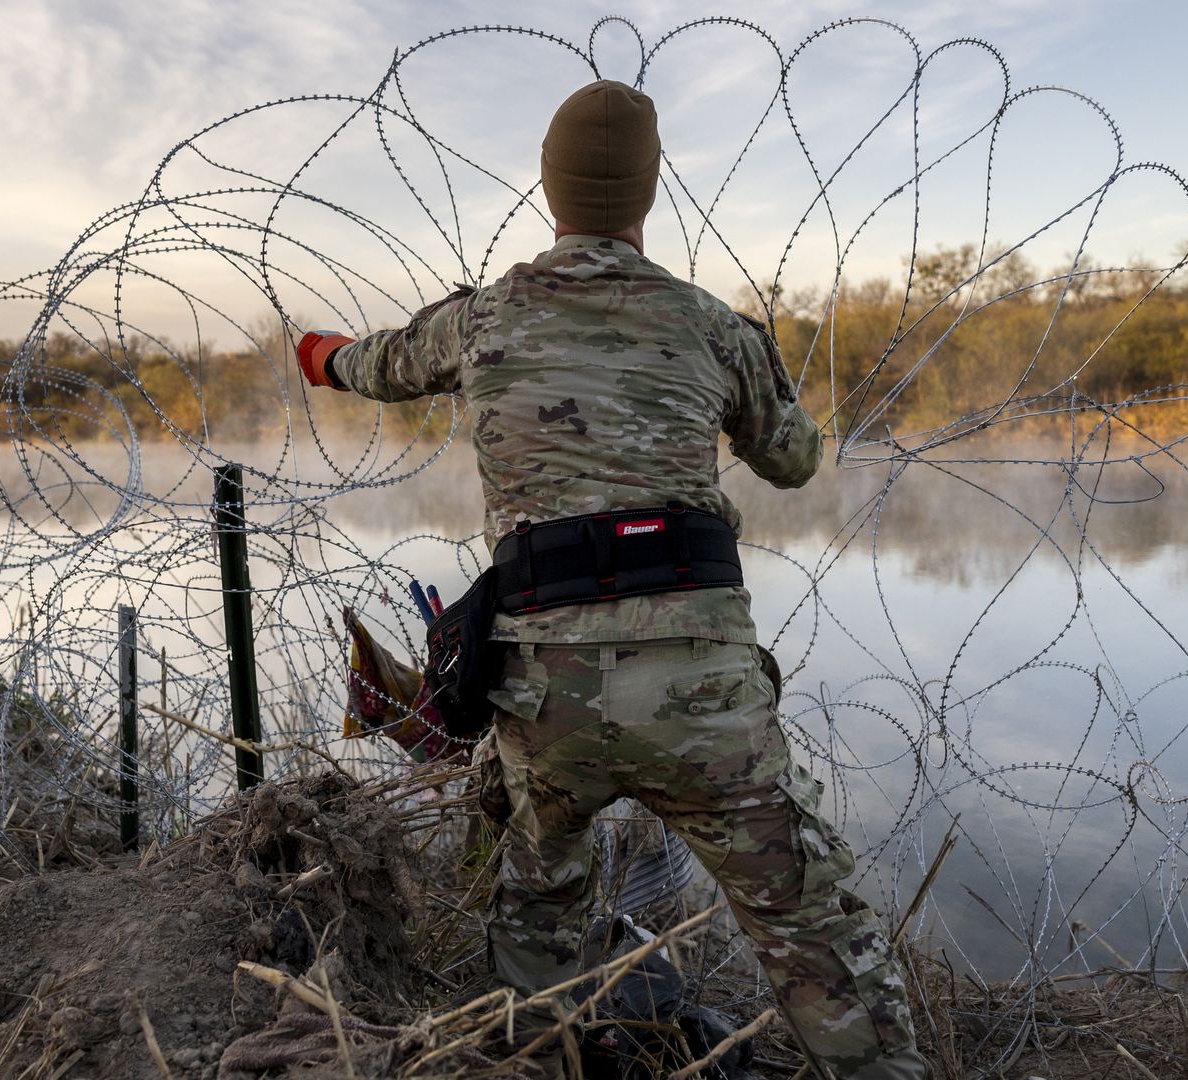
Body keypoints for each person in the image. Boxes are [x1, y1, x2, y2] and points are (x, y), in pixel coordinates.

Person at [296, 81, 928, 1079]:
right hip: (705, 700)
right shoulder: (713, 327)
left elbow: (372, 364)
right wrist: (761, 395)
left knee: (539, 900)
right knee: (812, 928)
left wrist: (317, 354)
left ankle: (536, 1055)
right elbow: (797, 461)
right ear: (649, 191)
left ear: (548, 189)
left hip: (548, 695)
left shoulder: (481, 322)